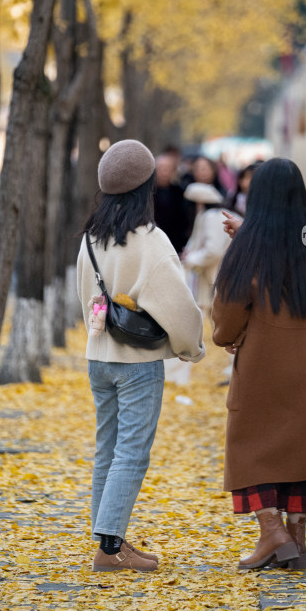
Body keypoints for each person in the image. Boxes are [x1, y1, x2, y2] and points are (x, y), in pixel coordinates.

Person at [77, 140, 205, 573]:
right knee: (131, 453)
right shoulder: (149, 240)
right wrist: (192, 347)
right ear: (146, 186)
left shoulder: (92, 236)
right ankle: (110, 550)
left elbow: (86, 297)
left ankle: (110, 542)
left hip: (99, 356)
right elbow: (178, 304)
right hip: (137, 363)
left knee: (107, 449)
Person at [211, 158, 306, 571]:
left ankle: (271, 532)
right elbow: (291, 245)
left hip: (262, 363)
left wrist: (229, 340)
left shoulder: (248, 250)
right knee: (299, 446)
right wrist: (249, 233)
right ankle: (296, 541)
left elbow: (227, 314)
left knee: (250, 446)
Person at [181, 182, 233, 319]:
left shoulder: (212, 216)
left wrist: (190, 258)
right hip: (215, 279)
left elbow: (213, 251)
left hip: (218, 279)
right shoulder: (211, 214)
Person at [153, 153, 190, 253]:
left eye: (167, 168)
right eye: (161, 168)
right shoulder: (148, 193)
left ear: (173, 170)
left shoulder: (181, 192)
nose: (164, 171)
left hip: (176, 243)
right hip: (154, 241)